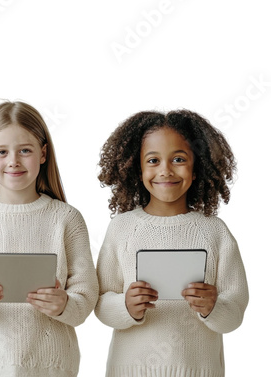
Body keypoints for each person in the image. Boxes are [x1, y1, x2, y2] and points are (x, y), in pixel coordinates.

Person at [0, 100, 98, 377]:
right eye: (2, 152)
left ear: (43, 154)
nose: (13, 161)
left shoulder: (66, 219)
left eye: (25, 150)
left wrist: (65, 305)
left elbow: (86, 295)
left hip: (52, 367)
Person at [94, 110, 249, 376]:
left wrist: (214, 307)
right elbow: (100, 301)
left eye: (179, 159)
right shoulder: (122, 228)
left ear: (197, 167)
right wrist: (125, 307)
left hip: (198, 370)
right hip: (130, 370)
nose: (165, 170)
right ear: (137, 169)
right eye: (153, 160)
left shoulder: (215, 232)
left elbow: (235, 311)